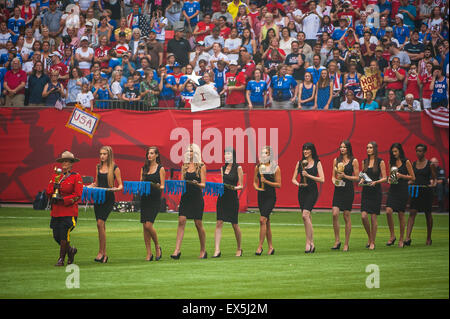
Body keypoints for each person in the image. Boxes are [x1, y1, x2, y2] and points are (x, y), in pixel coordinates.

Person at [171, 144, 207, 259]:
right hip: (185, 196)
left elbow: (203, 185)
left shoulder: (201, 166)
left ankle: (203, 250)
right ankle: (177, 250)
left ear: (196, 152)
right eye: (188, 151)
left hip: (196, 196)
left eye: (191, 151)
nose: (189, 153)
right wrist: (177, 184)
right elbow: (182, 183)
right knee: (181, 220)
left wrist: (197, 183)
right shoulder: (184, 166)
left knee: (198, 223)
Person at [46, 151, 83, 266]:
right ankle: (70, 251)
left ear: (72, 164)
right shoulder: (56, 176)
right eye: (63, 161)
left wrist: (64, 199)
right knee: (56, 236)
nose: (64, 163)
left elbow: (78, 194)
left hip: (69, 211)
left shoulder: (76, 176)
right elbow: (48, 192)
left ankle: (61, 259)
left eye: (67, 161)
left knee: (63, 234)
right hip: (56, 211)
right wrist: (54, 188)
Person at [88, 146, 123, 263]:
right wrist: (89, 186)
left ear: (109, 155)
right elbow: (97, 183)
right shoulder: (98, 167)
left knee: (100, 223)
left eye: (104, 154)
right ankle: (103, 253)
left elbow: (120, 185)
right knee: (100, 226)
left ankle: (101, 252)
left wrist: (116, 189)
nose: (102, 156)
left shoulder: (115, 168)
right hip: (98, 197)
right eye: (100, 154)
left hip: (108, 197)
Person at [292, 142, 325, 253]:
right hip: (302, 191)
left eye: (307, 149)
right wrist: (299, 184)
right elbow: (293, 179)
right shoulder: (300, 163)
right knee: (307, 218)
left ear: (312, 151)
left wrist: (308, 176)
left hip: (312, 191)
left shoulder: (317, 163)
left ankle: (309, 242)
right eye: (304, 149)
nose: (305, 151)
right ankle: (310, 243)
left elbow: (322, 179)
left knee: (305, 215)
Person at [213, 147, 244, 258]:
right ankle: (217, 250)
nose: (227, 156)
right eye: (225, 154)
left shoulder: (238, 167)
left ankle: (239, 248)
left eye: (229, 154)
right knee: (219, 222)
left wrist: (234, 188)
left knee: (234, 224)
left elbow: (241, 185)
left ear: (233, 156)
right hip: (222, 197)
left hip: (232, 197)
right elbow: (222, 181)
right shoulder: (222, 168)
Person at [405, 144, 437, 246]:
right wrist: (408, 182)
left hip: (426, 192)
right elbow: (412, 178)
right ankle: (408, 238)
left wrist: (433, 184)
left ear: (424, 152)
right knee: (412, 213)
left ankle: (428, 238)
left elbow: (434, 179)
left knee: (428, 215)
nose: (419, 153)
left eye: (421, 151)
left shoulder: (430, 164)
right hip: (416, 192)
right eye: (417, 151)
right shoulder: (413, 164)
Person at [385, 143, 415, 248]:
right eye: (392, 152)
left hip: (402, 189)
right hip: (393, 189)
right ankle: (392, 235)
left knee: (401, 214)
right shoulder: (390, 162)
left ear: (400, 151)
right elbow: (390, 176)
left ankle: (401, 238)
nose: (394, 154)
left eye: (396, 151)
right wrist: (389, 179)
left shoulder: (406, 162)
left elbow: (413, 177)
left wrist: (401, 175)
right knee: (388, 211)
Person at [331, 140, 359, 252]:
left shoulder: (354, 161)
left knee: (346, 215)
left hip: (348, 190)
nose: (342, 149)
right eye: (340, 147)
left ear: (348, 148)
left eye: (344, 147)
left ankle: (346, 244)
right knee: (334, 214)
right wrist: (335, 181)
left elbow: (357, 177)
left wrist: (345, 176)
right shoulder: (336, 160)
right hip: (338, 189)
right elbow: (333, 176)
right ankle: (337, 240)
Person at [359, 141, 387, 251]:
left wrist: (376, 182)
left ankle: (372, 242)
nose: (368, 149)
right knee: (363, 216)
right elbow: (363, 175)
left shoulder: (380, 162)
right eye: (367, 148)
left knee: (373, 217)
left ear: (375, 149)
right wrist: (361, 181)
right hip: (366, 192)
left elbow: (385, 177)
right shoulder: (364, 162)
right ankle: (370, 237)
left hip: (375, 192)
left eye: (370, 147)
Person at [254, 146, 281, 256]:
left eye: (266, 153)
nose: (263, 155)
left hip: (270, 196)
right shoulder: (258, 167)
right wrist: (258, 188)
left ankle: (260, 246)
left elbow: (279, 185)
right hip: (261, 196)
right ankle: (271, 247)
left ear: (270, 155)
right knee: (266, 222)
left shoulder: (275, 167)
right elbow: (255, 182)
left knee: (262, 220)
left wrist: (266, 181)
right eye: (262, 153)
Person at [140, 146, 165, 261]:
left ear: (157, 155)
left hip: (154, 199)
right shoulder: (144, 168)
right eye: (148, 153)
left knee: (149, 225)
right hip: (145, 198)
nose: (149, 155)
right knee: (145, 226)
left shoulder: (161, 168)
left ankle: (157, 246)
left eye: (151, 153)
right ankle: (148, 253)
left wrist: (154, 185)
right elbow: (141, 183)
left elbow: (162, 186)